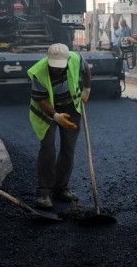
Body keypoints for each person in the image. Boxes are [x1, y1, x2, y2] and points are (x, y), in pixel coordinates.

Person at [27, 43, 91, 210]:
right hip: (47, 110)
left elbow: (86, 69)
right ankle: (43, 192)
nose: (56, 69)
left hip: (71, 106)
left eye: (59, 67)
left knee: (68, 148)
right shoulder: (39, 71)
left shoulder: (75, 58)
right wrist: (56, 116)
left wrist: (87, 89)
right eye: (53, 66)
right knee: (48, 148)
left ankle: (61, 188)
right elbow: (41, 100)